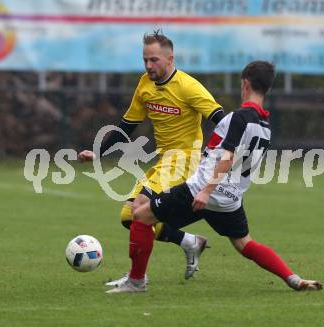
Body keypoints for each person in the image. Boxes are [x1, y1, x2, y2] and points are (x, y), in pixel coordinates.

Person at [106, 60, 323, 294]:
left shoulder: (239, 117)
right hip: (230, 200)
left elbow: (227, 157)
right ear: (268, 89)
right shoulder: (265, 126)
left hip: (201, 190)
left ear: (245, 84)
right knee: (245, 244)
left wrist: (206, 190)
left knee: (139, 216)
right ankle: (294, 279)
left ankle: (136, 281)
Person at [79, 30, 225, 282]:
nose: (148, 65)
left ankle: (136, 279)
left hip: (185, 160)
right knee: (129, 217)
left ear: (170, 59)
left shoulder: (189, 87)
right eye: (145, 59)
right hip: (164, 160)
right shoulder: (145, 84)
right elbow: (127, 125)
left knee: (139, 211)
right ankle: (190, 242)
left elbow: (222, 119)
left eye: (154, 60)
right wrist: (98, 153)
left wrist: (227, 151)